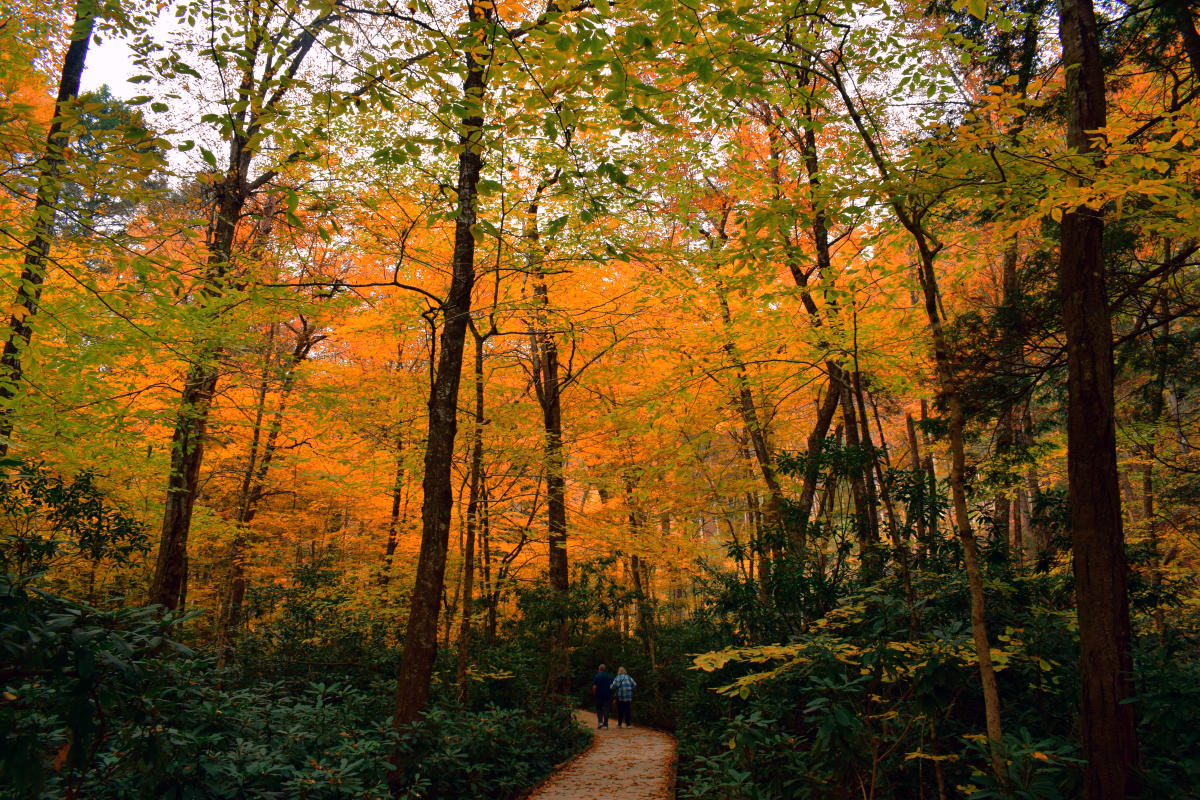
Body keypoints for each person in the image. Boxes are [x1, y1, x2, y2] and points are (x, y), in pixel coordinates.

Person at [591, 664, 613, 729]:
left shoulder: (597, 676)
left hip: (599, 695)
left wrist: (594, 694)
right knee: (606, 709)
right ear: (605, 669)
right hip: (607, 695)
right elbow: (612, 686)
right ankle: (605, 724)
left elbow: (594, 687)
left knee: (599, 708)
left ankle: (600, 721)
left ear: (599, 669)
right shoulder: (609, 676)